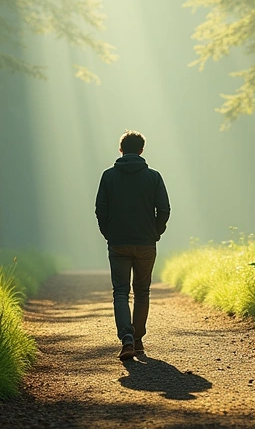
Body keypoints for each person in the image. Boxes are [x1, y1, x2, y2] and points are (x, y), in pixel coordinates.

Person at [94, 130, 171, 360]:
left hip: (118, 243)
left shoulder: (108, 176)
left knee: (120, 292)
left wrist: (109, 233)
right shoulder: (154, 177)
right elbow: (164, 210)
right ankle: (137, 340)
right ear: (141, 150)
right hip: (146, 242)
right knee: (142, 291)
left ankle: (126, 339)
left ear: (121, 150)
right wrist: (155, 232)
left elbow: (101, 211)